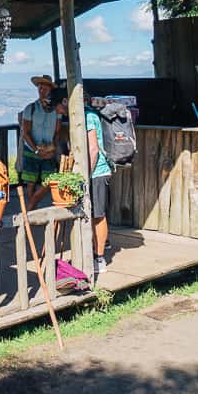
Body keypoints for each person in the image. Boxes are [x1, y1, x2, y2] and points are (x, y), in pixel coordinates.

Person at [21, 74, 61, 210]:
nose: (42, 90)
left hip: (48, 150)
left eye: (45, 88)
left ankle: (31, 205)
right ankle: (32, 208)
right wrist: (36, 150)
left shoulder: (56, 110)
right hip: (31, 149)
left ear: (50, 90)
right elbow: (26, 132)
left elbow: (57, 132)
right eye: (40, 88)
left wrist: (53, 148)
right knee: (30, 181)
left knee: (48, 180)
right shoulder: (30, 108)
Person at [85, 94, 113, 276]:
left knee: (98, 215)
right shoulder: (89, 114)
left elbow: (93, 149)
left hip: (97, 172)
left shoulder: (87, 117)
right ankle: (98, 249)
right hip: (97, 171)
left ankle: (100, 258)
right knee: (96, 214)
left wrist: (86, 174)